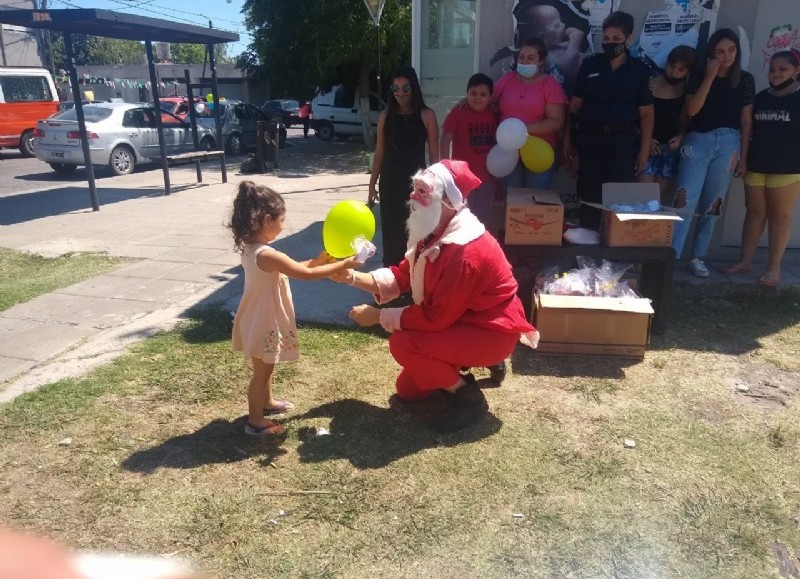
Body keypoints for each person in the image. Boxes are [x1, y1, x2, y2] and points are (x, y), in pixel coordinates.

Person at [334, 160, 539, 433]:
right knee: (407, 391)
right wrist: (349, 277)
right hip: (465, 322)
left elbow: (433, 317)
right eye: (415, 188)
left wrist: (378, 316)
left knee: (404, 345)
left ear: (448, 202)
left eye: (423, 191)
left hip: (492, 332)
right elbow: (404, 275)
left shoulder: (465, 252)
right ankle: (469, 360)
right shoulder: (433, 231)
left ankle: (469, 398)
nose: (412, 196)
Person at [229, 181, 361, 436]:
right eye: (282, 220)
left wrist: (319, 260)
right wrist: (343, 265)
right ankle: (255, 422)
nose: (283, 225)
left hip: (258, 316)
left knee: (267, 364)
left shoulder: (253, 248)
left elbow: (297, 267)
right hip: (263, 319)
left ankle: (266, 403)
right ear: (267, 220)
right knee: (262, 371)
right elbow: (303, 274)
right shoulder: (267, 254)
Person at [670, 28, 754, 278]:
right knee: (684, 199)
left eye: (731, 50)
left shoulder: (745, 79)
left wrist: (744, 156)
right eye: (720, 51)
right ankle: (671, 256)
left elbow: (746, 120)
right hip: (698, 141)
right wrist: (710, 76)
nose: (726, 55)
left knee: (713, 203)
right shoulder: (698, 75)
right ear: (711, 53)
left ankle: (698, 256)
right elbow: (692, 110)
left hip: (729, 142)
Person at [563, 11, 654, 230]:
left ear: (628, 39)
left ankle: (614, 259)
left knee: (620, 200)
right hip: (590, 140)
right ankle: (587, 256)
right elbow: (574, 107)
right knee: (589, 196)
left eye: (616, 39)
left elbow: (646, 114)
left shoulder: (639, 71)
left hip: (623, 142)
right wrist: (567, 142)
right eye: (606, 39)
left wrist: (643, 152)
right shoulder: (590, 66)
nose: (610, 43)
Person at [727, 50, 800, 287]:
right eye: (773, 70)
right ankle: (745, 261)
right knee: (754, 213)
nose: (776, 74)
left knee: (779, 217)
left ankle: (773, 267)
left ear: (796, 71)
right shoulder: (760, 98)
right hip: (756, 165)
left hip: (787, 169)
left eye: (783, 69)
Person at [369, 66, 439, 267]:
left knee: (416, 235)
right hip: (390, 183)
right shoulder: (385, 116)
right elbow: (380, 152)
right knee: (392, 236)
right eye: (396, 88)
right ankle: (391, 286)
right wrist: (372, 184)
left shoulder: (427, 116)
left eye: (405, 88)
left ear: (414, 88)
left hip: (417, 186)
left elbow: (434, 154)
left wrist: (438, 187)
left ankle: (414, 284)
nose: (400, 93)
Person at [495, 37, 569, 190]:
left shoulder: (550, 84)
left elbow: (556, 121)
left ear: (541, 61)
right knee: (512, 201)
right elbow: (486, 101)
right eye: (521, 57)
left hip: (539, 151)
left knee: (535, 203)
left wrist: (520, 130)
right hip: (508, 150)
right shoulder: (507, 79)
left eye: (530, 58)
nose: (525, 62)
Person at [440, 73, 498, 231]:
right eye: (473, 93)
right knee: (460, 220)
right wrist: (445, 170)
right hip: (462, 180)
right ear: (466, 94)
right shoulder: (457, 113)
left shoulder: (494, 113)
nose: (478, 98)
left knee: (483, 220)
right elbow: (445, 139)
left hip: (486, 178)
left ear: (490, 97)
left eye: (483, 95)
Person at [638, 45, 696, 202]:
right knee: (645, 199)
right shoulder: (650, 84)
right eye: (672, 66)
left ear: (688, 72)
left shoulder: (688, 92)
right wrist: (646, 139)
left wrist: (682, 137)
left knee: (656, 201)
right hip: (647, 147)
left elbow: (693, 122)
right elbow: (637, 116)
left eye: (681, 69)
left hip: (670, 150)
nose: (674, 72)